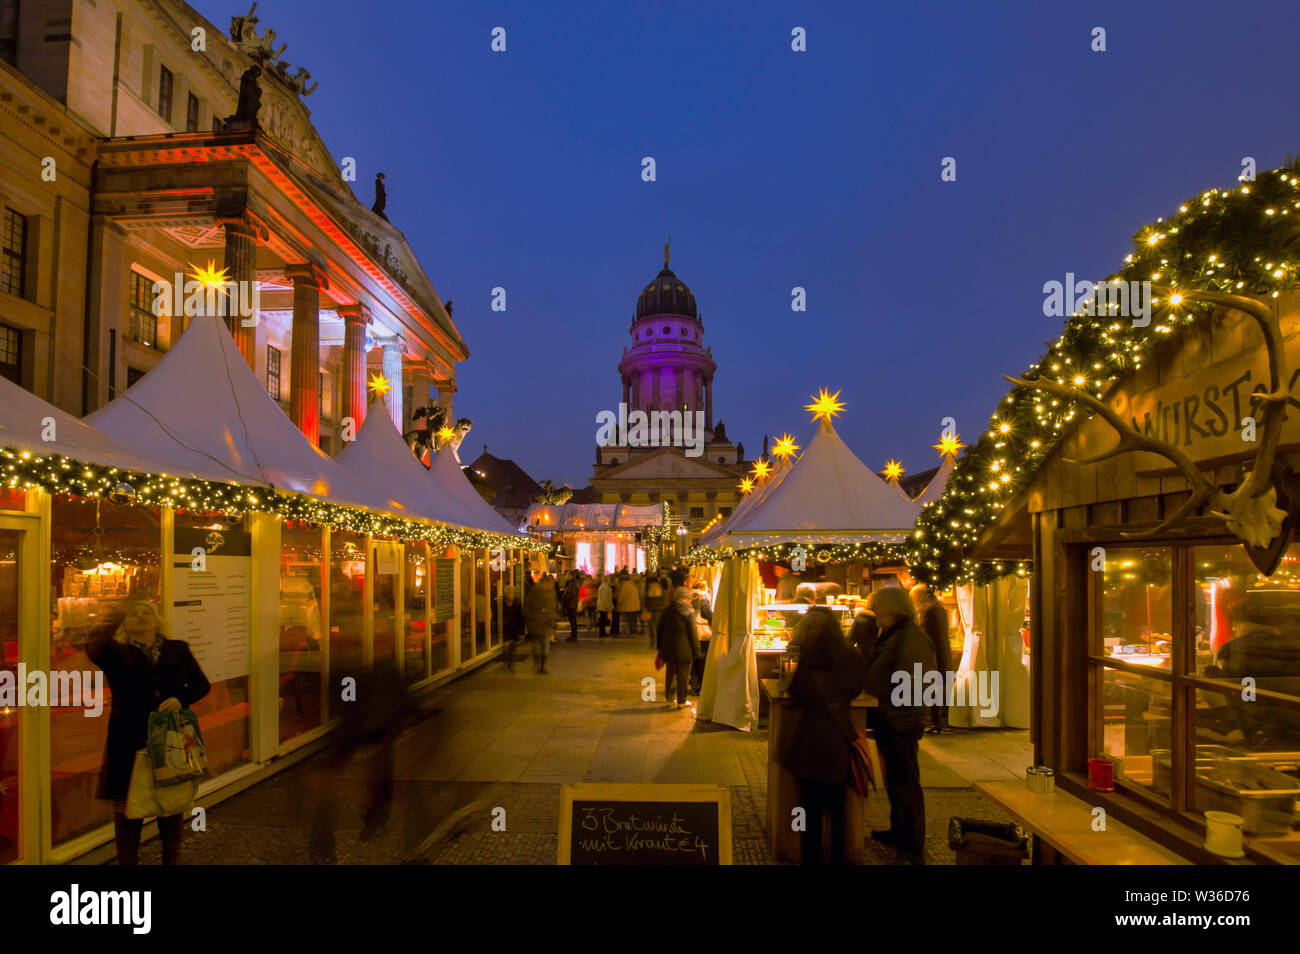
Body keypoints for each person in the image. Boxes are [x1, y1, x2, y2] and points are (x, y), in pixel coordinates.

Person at [86, 601, 211, 865]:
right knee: (128, 810)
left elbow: (201, 685)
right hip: (127, 740)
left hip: (169, 737)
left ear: (157, 621)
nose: (141, 617)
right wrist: (116, 610)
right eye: (133, 614)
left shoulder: (177, 649)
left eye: (147, 613)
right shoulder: (114, 652)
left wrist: (181, 698)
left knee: (171, 805)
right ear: (124, 623)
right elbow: (92, 644)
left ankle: (171, 860)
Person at [776, 608, 865, 865]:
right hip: (837, 736)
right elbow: (856, 687)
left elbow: (785, 685)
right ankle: (838, 856)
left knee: (808, 807)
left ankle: (810, 856)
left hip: (806, 736)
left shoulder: (794, 651)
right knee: (838, 805)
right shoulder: (849, 653)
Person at [863, 586, 936, 865]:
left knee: (907, 784)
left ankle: (912, 846)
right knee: (896, 781)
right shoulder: (895, 634)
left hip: (901, 720)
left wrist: (898, 714)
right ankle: (899, 831)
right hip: (892, 717)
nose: (875, 614)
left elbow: (914, 680)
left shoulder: (909, 638)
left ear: (891, 609)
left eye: (877, 608)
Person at [910, 584, 952, 733]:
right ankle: (937, 720)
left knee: (930, 687)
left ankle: (933, 721)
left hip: (932, 655)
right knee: (937, 687)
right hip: (942, 652)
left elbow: (925, 635)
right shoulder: (939, 608)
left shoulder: (927, 612)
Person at [656, 587, 701, 710]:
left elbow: (659, 629)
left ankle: (669, 700)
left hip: (668, 647)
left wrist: (659, 647)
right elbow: (692, 632)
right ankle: (681, 701)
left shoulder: (667, 610)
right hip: (684, 648)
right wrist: (697, 650)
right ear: (686, 599)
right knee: (683, 675)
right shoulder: (689, 611)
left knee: (670, 674)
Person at [524, 572, 558, 674]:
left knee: (542, 648)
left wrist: (552, 619)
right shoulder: (535, 592)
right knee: (539, 648)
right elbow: (527, 608)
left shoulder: (550, 593)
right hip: (538, 625)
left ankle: (540, 666)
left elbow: (552, 608)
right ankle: (539, 665)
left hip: (544, 625)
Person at [644, 570, 671, 650]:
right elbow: (665, 602)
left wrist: (647, 608)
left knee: (652, 628)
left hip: (652, 611)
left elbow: (646, 601)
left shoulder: (649, 591)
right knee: (658, 628)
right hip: (659, 611)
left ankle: (653, 643)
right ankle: (658, 644)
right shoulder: (662, 591)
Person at [502, 585, 525, 671]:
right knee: (506, 645)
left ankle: (510, 663)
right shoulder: (502, 602)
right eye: (508, 593)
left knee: (512, 647)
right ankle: (507, 662)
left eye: (511, 593)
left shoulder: (517, 603)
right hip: (506, 627)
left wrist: (521, 630)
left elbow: (520, 617)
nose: (510, 594)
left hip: (514, 628)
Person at [616, 573, 641, 637]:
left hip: (629, 606)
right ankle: (634, 631)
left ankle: (633, 632)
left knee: (631, 620)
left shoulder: (625, 585)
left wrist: (619, 600)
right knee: (633, 619)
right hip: (634, 605)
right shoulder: (632, 585)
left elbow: (622, 595)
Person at [562, 571, 581, 642]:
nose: (567, 577)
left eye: (568, 575)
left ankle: (573, 636)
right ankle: (573, 635)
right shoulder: (573, 583)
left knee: (572, 620)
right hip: (572, 604)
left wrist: (565, 599)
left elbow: (571, 594)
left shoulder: (573, 584)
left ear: (571, 576)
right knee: (572, 621)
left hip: (571, 604)